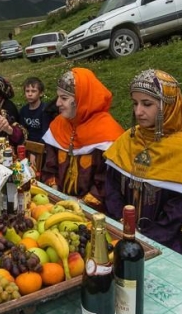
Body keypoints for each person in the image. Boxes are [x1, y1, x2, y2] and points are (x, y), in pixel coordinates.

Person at [103, 70, 182, 254]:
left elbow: (180, 211)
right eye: (135, 103)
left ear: (168, 106)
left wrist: (147, 238)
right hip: (121, 234)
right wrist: (123, 224)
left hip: (166, 245)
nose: (138, 111)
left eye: (147, 104)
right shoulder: (128, 139)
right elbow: (111, 187)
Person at [42, 68, 124, 209]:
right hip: (58, 204)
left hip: (93, 211)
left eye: (64, 98)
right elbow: (50, 167)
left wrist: (81, 204)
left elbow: (106, 183)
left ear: (81, 99)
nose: (57, 104)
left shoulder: (107, 133)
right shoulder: (58, 125)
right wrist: (55, 193)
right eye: (58, 97)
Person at [19, 77, 57, 143]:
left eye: (33, 91)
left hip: (43, 146)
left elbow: (46, 134)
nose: (30, 94)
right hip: (26, 144)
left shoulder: (45, 110)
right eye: (27, 91)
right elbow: (22, 131)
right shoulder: (23, 110)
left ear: (41, 93)